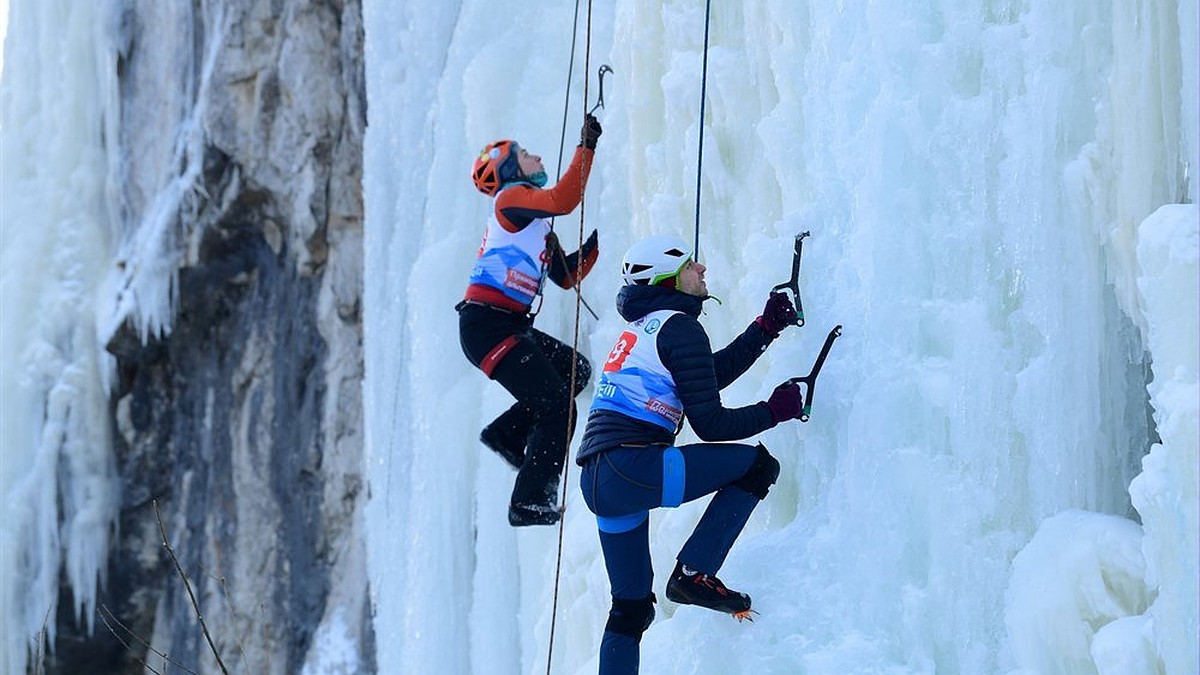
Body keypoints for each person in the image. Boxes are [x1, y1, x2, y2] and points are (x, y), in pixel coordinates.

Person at [576, 234, 807, 672]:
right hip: (630, 466)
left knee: (631, 608)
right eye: (689, 265)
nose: (701, 269)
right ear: (667, 279)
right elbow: (711, 424)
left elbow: (705, 377)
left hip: (600, 480)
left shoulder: (647, 329)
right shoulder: (679, 327)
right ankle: (693, 575)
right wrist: (774, 411)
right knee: (757, 467)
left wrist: (765, 330)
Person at [457, 113, 604, 527]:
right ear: (509, 171)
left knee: (576, 371)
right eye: (524, 155)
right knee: (557, 407)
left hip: (504, 326)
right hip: (489, 326)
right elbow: (563, 199)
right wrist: (586, 146)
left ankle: (507, 435)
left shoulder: (534, 225)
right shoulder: (509, 200)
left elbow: (565, 276)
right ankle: (528, 501)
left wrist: (600, 242)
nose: (536, 156)